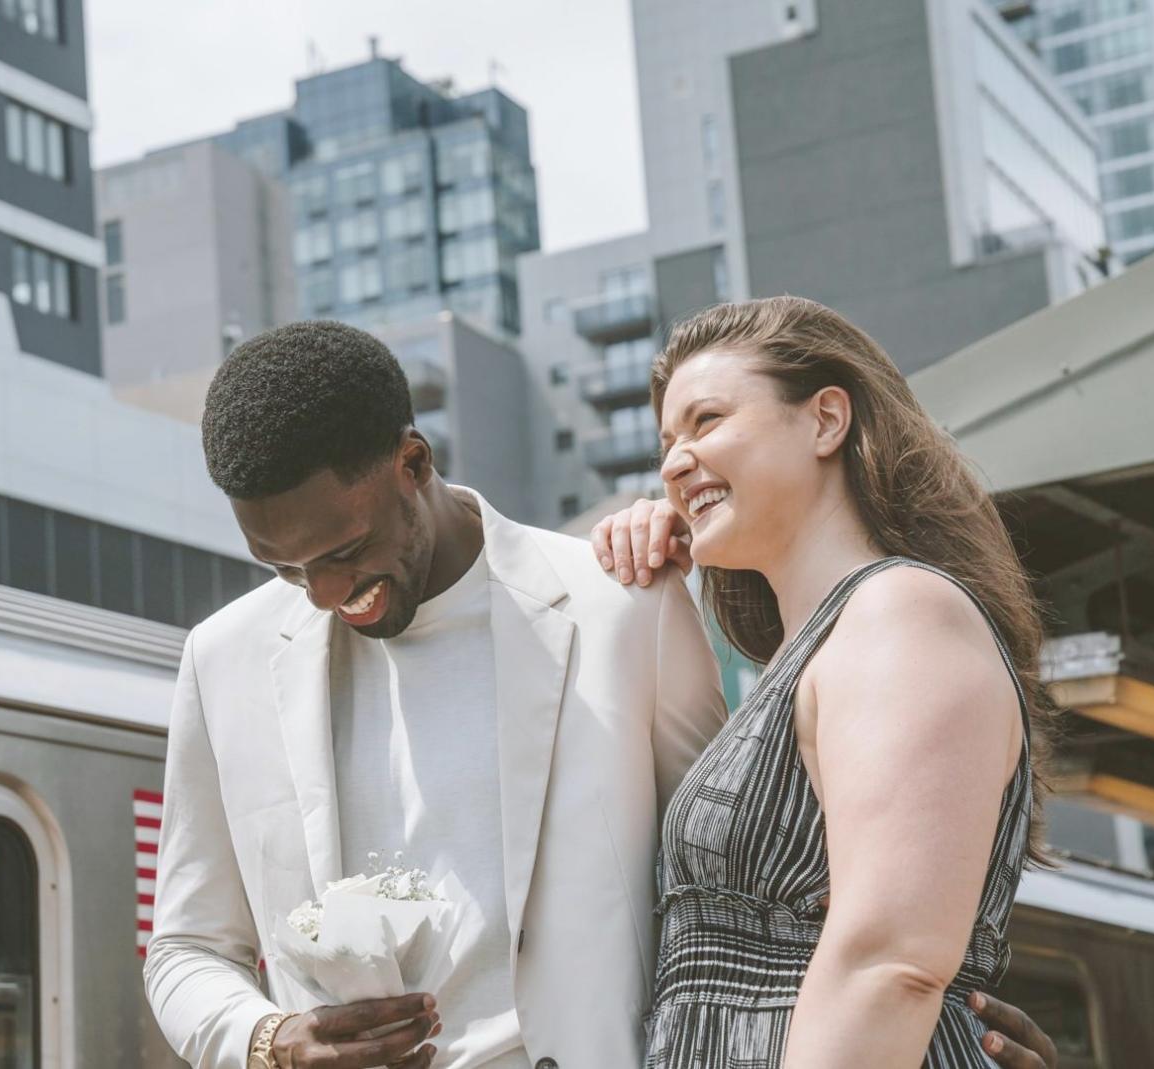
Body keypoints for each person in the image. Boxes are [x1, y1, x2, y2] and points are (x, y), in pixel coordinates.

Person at [144, 320, 1059, 1069]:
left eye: (343, 551)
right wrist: (265, 1040)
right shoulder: (223, 660)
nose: (324, 594)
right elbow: (185, 947)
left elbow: (769, 872)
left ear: (413, 463)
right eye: (284, 566)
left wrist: (937, 997)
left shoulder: (621, 603)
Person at [590, 296, 1052, 1067]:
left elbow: (889, 964)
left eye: (706, 422)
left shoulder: (901, 612)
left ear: (826, 420)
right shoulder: (820, 650)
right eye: (666, 443)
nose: (671, 461)